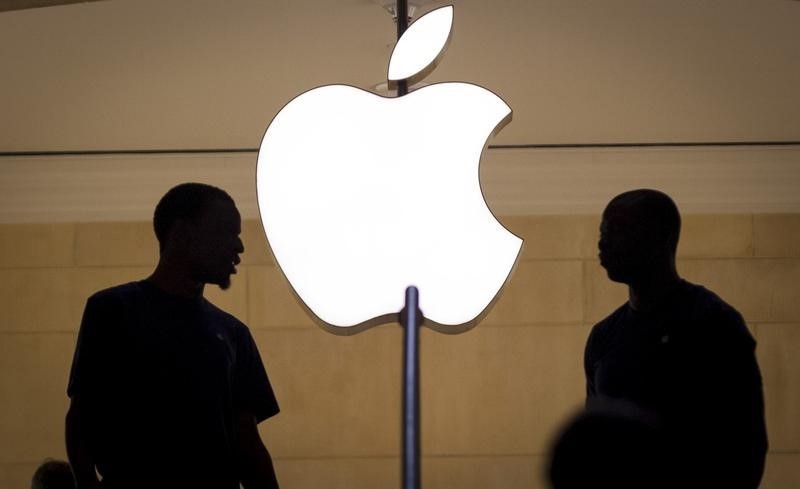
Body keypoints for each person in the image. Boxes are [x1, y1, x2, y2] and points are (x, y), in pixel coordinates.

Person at [65, 183, 280, 489]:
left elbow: (248, 444)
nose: (239, 247)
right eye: (227, 232)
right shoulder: (112, 310)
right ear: (182, 233)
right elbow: (82, 416)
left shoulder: (235, 335)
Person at [585, 189, 767, 488]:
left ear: (661, 238)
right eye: (603, 231)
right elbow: (594, 445)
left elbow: (746, 445)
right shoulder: (603, 337)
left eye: (618, 229)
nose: (603, 242)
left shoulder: (714, 324)